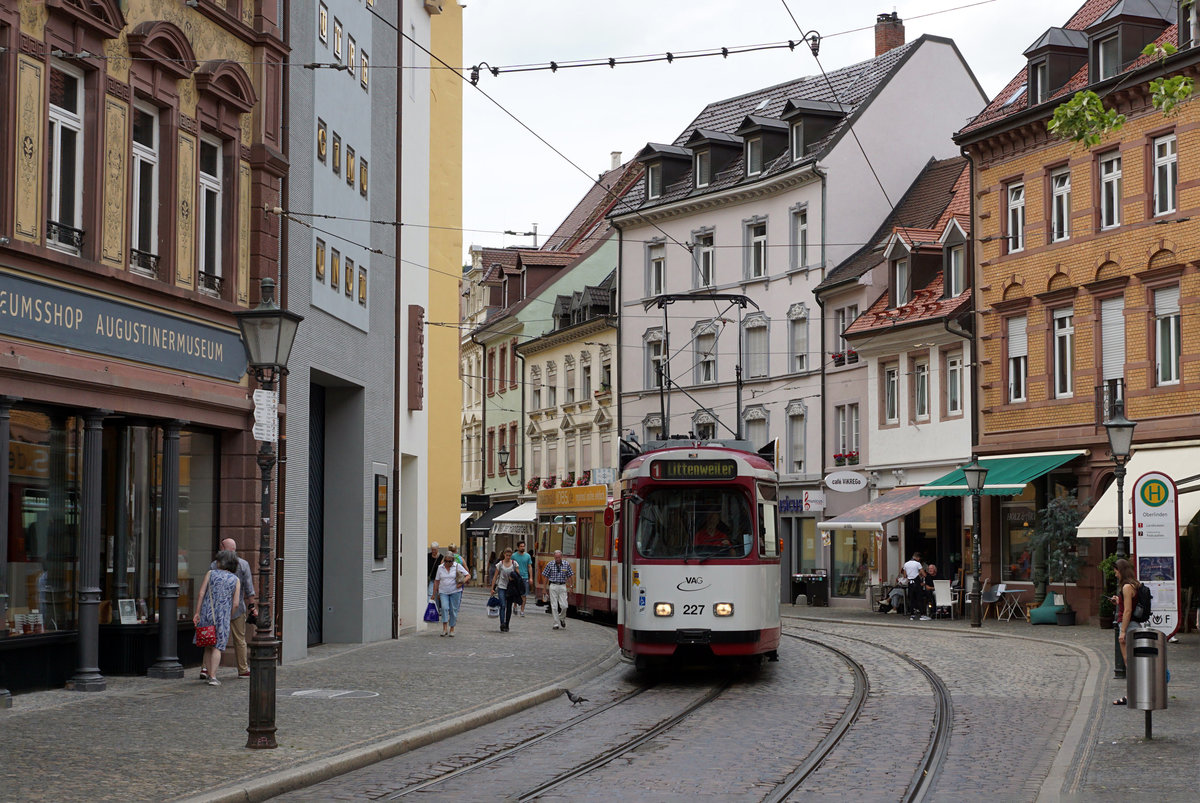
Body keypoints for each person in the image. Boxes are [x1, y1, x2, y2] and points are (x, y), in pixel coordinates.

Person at [207, 538, 256, 679]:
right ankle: (243, 669)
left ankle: (206, 669)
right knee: (240, 639)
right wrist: (252, 606)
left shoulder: (214, 565)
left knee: (211, 639)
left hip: (216, 608)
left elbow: (207, 589)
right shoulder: (244, 564)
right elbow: (249, 589)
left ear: (223, 548)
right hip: (237, 608)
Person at [193, 550, 241, 686]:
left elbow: (201, 593)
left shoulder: (211, 574)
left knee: (207, 645)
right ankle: (213, 676)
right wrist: (228, 615)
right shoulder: (235, 580)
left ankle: (208, 673)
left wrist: (197, 612)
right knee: (217, 646)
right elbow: (236, 603)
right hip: (223, 616)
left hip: (207, 612)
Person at [1113, 559, 1138, 705]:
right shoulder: (1134, 584)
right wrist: (1118, 601)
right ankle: (1135, 693)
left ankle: (1131, 695)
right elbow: (1129, 605)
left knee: (1129, 662)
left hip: (1128, 626)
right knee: (1133, 661)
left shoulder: (1127, 587)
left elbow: (1128, 610)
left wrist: (1122, 631)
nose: (1115, 574)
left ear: (1121, 570)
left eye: (1116, 571)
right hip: (1132, 625)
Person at [433, 552, 470, 636]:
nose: (448, 563)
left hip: (455, 591)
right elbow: (436, 580)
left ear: (453, 561)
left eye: (450, 561)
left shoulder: (457, 566)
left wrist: (462, 582)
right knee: (444, 608)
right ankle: (445, 628)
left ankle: (452, 628)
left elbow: (468, 575)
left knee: (453, 610)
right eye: (446, 561)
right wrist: (434, 593)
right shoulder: (440, 568)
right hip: (443, 591)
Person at [540, 549, 575, 630]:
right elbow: (545, 576)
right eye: (556, 557)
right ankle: (556, 623)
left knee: (564, 605)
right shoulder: (550, 564)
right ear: (554, 557)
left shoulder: (566, 564)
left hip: (562, 586)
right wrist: (544, 588)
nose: (557, 559)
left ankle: (562, 618)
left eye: (559, 557)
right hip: (553, 585)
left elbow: (570, 576)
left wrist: (571, 587)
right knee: (554, 606)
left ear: (561, 557)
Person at [490, 548, 522, 632]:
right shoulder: (500, 564)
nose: (508, 557)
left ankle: (507, 624)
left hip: (511, 588)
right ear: (504, 555)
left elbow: (519, 576)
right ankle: (502, 624)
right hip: (502, 586)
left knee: (509, 607)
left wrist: (514, 577)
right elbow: (495, 577)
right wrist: (492, 588)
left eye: (509, 555)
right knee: (502, 605)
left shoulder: (514, 564)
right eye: (506, 555)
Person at [512, 540, 534, 617]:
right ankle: (515, 606)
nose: (522, 548)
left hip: (525, 577)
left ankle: (522, 610)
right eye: (521, 546)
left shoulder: (528, 556)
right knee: (516, 593)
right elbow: (512, 566)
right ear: (518, 547)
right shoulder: (514, 556)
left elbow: (529, 566)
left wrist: (531, 577)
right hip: (516, 577)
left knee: (524, 595)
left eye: (523, 546)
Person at [902, 552, 923, 621]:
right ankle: (921, 614)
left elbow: (905, 576)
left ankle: (912, 614)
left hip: (910, 582)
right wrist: (919, 574)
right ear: (917, 558)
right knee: (919, 598)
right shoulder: (918, 564)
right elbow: (923, 573)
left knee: (911, 598)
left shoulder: (906, 564)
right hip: (916, 582)